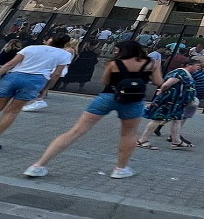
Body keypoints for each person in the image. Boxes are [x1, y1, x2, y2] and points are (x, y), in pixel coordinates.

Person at [23, 40, 163, 180]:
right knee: (128, 135)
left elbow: (105, 81)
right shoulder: (151, 63)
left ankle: (38, 165)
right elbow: (158, 82)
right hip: (133, 101)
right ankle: (120, 169)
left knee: (76, 131)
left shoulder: (114, 63)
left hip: (107, 97)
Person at [137, 58, 203, 150]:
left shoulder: (184, 74)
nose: (198, 68)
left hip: (176, 102)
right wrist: (162, 92)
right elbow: (166, 85)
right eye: (197, 65)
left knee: (177, 120)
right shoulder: (180, 73)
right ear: (188, 65)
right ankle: (142, 140)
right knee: (157, 119)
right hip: (169, 101)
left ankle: (176, 141)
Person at [23, 39, 79, 111]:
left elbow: (59, 58)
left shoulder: (68, 50)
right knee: (44, 84)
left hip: (57, 68)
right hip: (59, 67)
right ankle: (39, 99)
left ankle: (39, 100)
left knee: (44, 84)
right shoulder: (72, 51)